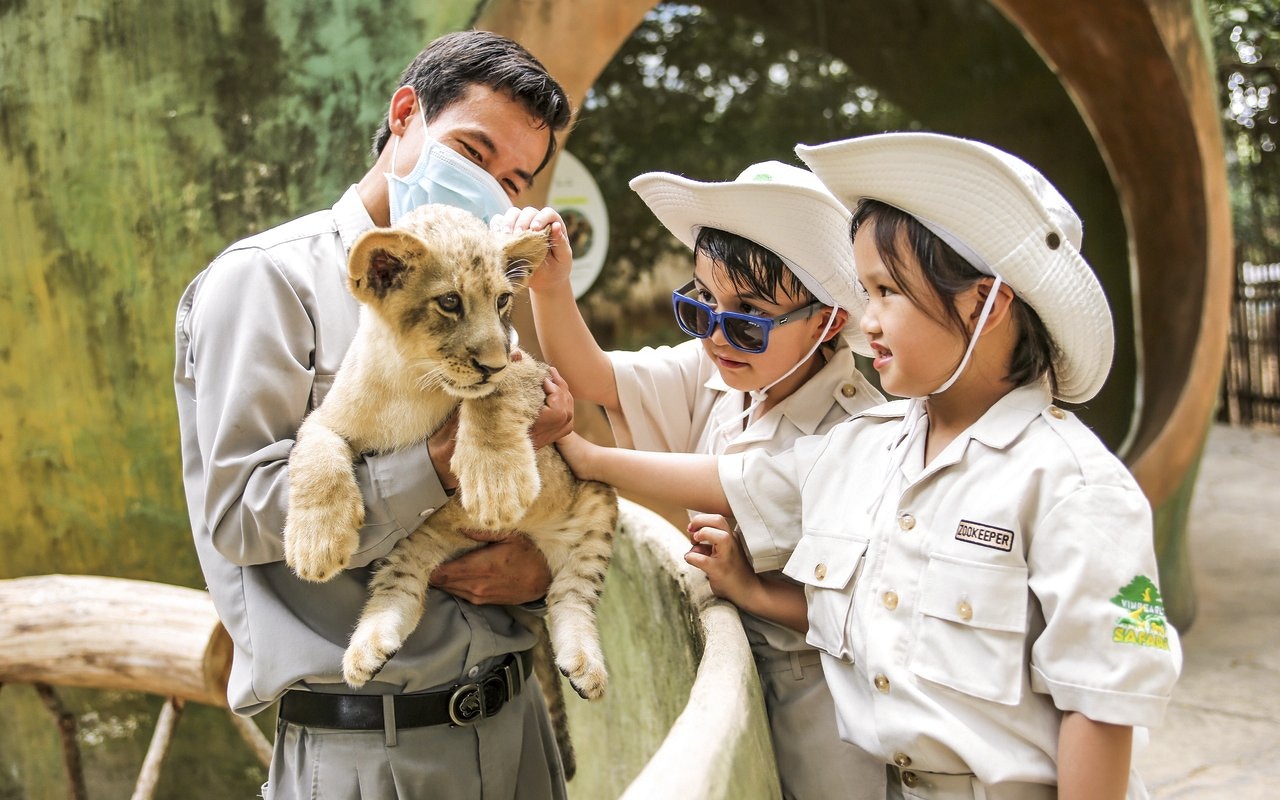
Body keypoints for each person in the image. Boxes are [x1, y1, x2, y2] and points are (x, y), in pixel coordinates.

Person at [555, 132, 1183, 799]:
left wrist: (589, 457)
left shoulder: (1075, 488)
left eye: (887, 292)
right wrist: (753, 590)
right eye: (865, 290)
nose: (869, 320)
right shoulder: (869, 446)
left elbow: (1100, 707)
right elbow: (740, 487)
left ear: (986, 303)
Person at [174, 31, 575, 800]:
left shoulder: (489, 285)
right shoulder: (267, 282)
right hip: (368, 743)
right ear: (404, 116)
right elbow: (238, 515)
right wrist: (437, 462)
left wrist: (539, 572)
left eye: (515, 179)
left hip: (515, 722)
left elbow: (529, 476)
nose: (490, 187)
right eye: (472, 150)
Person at [498, 160, 886, 799]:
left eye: (748, 318)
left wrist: (587, 457)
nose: (717, 336)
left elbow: (736, 480)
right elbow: (595, 378)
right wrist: (551, 288)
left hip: (826, 705)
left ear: (829, 321)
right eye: (702, 305)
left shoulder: (858, 430)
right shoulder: (721, 374)